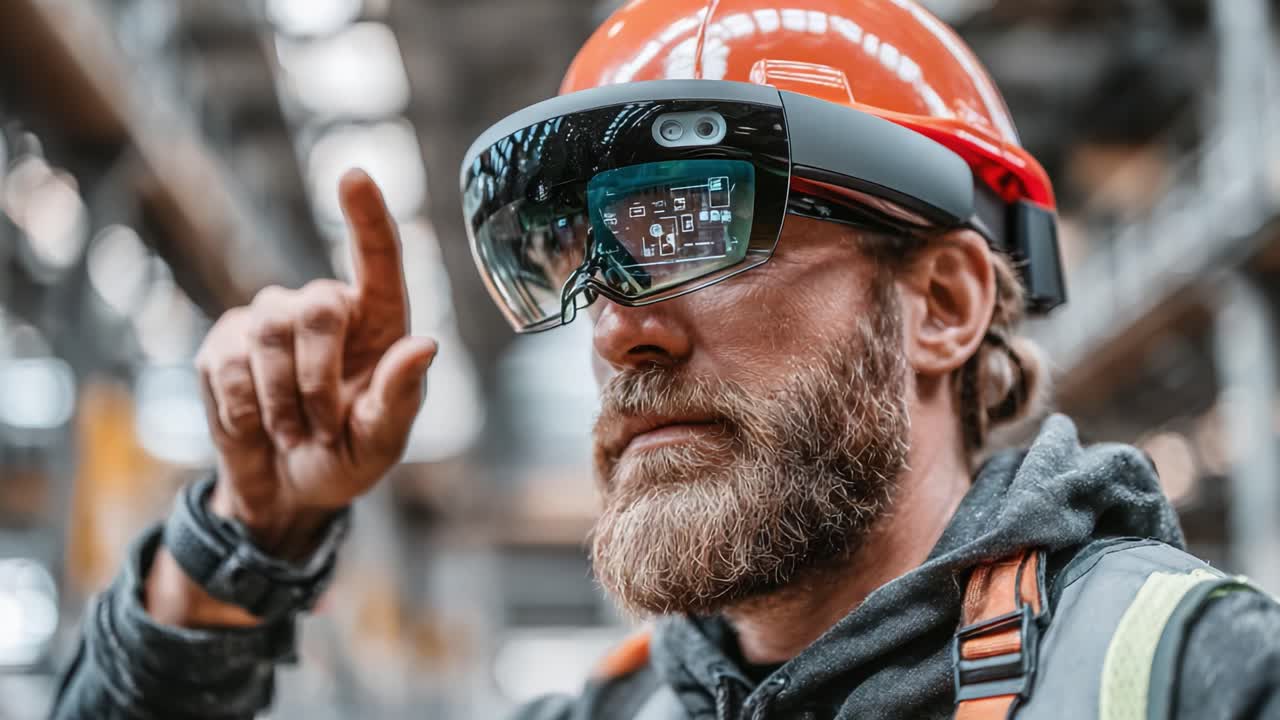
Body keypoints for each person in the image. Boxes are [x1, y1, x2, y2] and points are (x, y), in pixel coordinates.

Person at [53, 1, 1280, 719]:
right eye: (581, 263)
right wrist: (240, 548)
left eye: (694, 235)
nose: (614, 328)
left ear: (942, 304)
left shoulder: (1190, 679)